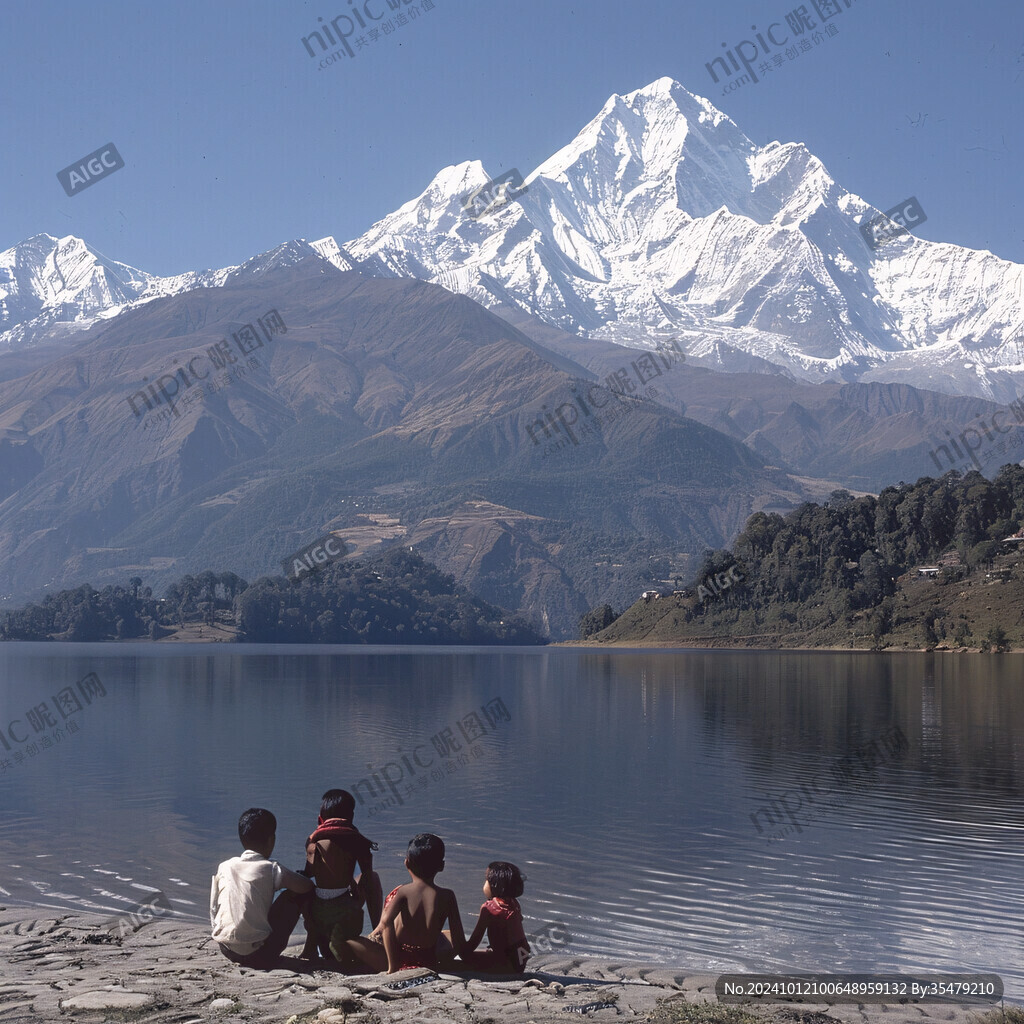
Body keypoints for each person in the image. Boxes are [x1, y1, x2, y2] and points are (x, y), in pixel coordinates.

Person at [345, 833, 465, 974]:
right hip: (428, 959)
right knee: (448, 935)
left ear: (407, 862)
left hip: (398, 959)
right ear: (441, 866)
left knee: (349, 941)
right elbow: (459, 938)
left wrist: (393, 966)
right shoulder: (448, 895)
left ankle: (390, 963)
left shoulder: (402, 892)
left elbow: (386, 923)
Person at [210, 807, 313, 968]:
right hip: (260, 955)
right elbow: (307, 887)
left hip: (226, 948)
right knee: (294, 895)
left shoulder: (225, 866)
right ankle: (312, 946)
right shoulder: (270, 868)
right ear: (271, 839)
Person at [301, 788, 383, 961]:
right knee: (374, 878)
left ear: (320, 819)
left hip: (317, 913)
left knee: (303, 883)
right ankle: (378, 932)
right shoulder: (356, 841)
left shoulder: (313, 842)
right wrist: (354, 890)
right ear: (351, 817)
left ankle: (311, 944)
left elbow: (309, 873)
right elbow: (367, 876)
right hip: (345, 913)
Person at [458, 861, 531, 973]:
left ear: (494, 885)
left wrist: (461, 952)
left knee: (465, 957)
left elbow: (475, 940)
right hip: (520, 960)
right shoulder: (514, 903)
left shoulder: (489, 908)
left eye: (486, 880)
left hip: (505, 962)